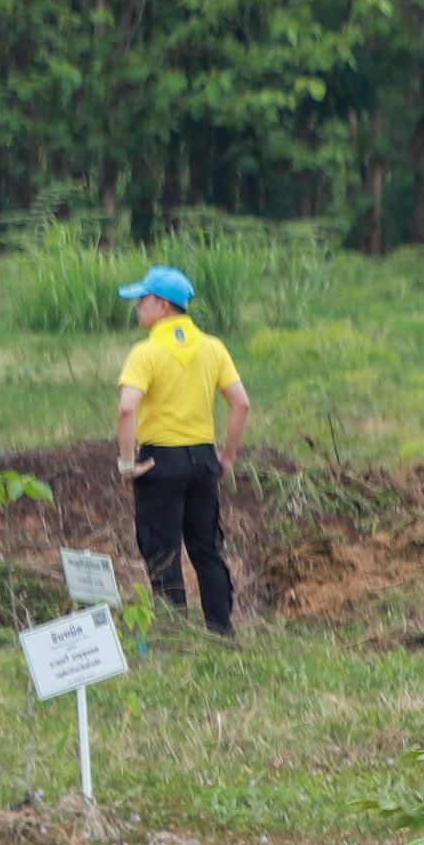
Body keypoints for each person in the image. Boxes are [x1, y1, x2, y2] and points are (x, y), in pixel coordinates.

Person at [112, 264, 252, 640]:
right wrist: (227, 458)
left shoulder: (147, 353)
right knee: (206, 549)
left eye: (142, 300)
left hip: (160, 462)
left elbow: (128, 408)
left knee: (163, 552)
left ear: (162, 305)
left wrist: (128, 463)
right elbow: (241, 404)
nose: (137, 307)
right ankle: (222, 631)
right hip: (203, 459)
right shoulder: (213, 348)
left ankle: (176, 636)